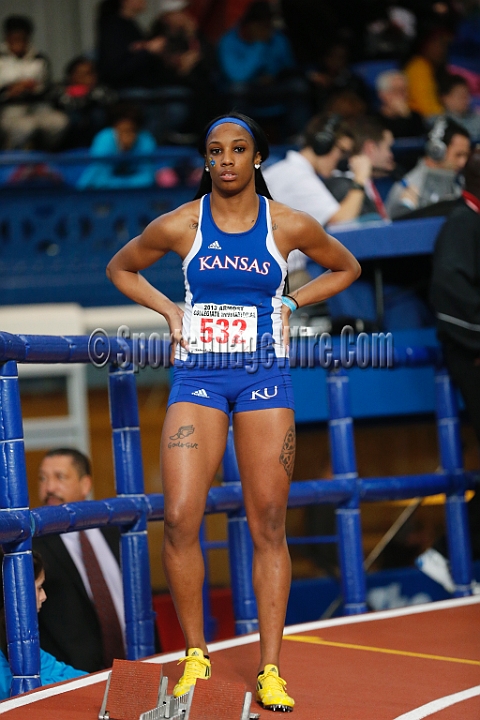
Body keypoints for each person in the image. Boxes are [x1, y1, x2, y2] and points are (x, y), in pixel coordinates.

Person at [106, 111, 360, 712]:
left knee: (268, 518)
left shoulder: (289, 224)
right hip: (198, 377)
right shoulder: (182, 223)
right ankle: (196, 654)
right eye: (215, 151)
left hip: (263, 379)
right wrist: (170, 311)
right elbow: (121, 267)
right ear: (206, 161)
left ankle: (270, 667)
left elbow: (346, 267)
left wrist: (291, 301)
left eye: (238, 149)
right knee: (178, 515)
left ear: (256, 159)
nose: (225, 160)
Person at [418, 146, 480, 592]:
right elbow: (448, 290)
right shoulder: (463, 223)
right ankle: (444, 552)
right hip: (471, 353)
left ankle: (447, 553)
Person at [32, 448, 126, 673]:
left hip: (137, 663)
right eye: (43, 478)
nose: (49, 487)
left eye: (60, 477)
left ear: (86, 485)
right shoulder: (32, 544)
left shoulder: (114, 529)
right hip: (73, 678)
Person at [263, 113, 371, 289]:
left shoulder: (290, 171)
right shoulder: (296, 176)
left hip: (270, 273)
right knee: (349, 274)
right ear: (323, 144)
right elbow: (342, 220)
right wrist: (360, 178)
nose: (340, 160)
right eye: (341, 151)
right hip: (276, 281)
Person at [0, 550, 87, 699]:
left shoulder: (15, 638)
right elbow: (21, 696)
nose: (44, 596)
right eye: (39, 588)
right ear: (13, 593)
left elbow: (74, 676)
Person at [217, 1, 310, 141]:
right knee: (237, 89)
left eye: (268, 25)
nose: (266, 30)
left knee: (299, 86)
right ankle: (241, 137)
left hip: (273, 89)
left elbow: (290, 68)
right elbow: (237, 76)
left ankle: (298, 138)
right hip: (247, 92)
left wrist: (274, 76)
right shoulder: (229, 41)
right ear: (249, 25)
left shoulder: (277, 39)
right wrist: (259, 44)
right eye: (261, 25)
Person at [0, 15, 68, 150]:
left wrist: (32, 87)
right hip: (9, 110)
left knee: (59, 122)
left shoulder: (39, 59)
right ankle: (14, 163)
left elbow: (47, 88)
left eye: (22, 38)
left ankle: (47, 160)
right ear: (7, 38)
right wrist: (10, 91)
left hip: (39, 107)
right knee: (25, 128)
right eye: (14, 38)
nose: (18, 42)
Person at [385, 116, 471, 219]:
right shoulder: (408, 188)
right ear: (436, 151)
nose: (463, 162)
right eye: (458, 155)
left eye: (466, 155)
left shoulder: (461, 182)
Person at [324, 116, 396, 221]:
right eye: (388, 147)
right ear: (371, 148)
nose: (391, 155)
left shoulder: (367, 183)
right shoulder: (342, 186)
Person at [77, 102, 156, 190]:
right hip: (95, 193)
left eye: (132, 130)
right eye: (123, 131)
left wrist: (124, 185)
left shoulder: (146, 140)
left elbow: (148, 178)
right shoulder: (105, 139)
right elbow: (99, 181)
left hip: (133, 194)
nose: (128, 136)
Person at [403, 27, 452, 119]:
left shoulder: (432, 68)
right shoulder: (418, 68)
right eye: (439, 44)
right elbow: (426, 109)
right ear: (426, 44)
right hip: (422, 122)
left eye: (445, 46)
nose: (443, 50)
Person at [375, 70, 426, 139]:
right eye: (396, 90)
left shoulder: (415, 118)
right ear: (382, 94)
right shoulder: (373, 120)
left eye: (404, 90)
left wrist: (406, 117)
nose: (402, 95)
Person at [439, 73, 480, 140]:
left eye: (466, 95)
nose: (465, 99)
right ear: (445, 98)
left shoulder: (477, 119)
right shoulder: (437, 122)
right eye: (460, 95)